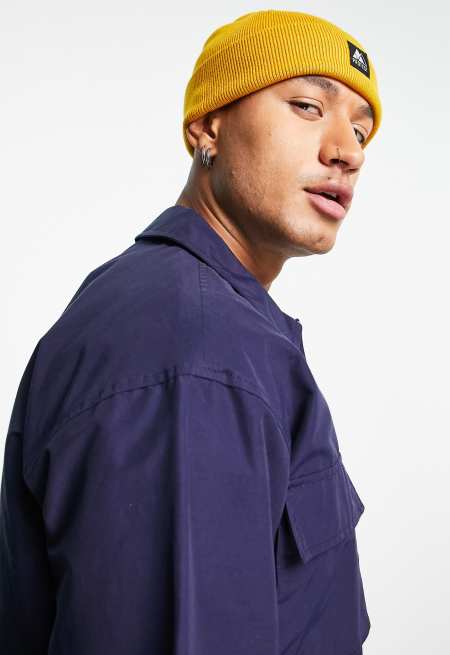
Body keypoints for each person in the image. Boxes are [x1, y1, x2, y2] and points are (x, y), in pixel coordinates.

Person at [0, 9, 382, 654]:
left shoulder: (204, 322)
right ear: (208, 126)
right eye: (307, 106)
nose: (348, 151)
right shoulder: (194, 349)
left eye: (362, 130)